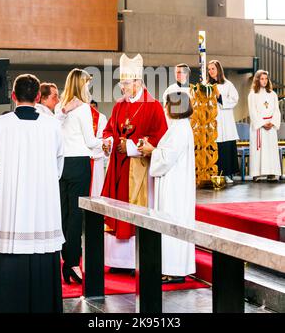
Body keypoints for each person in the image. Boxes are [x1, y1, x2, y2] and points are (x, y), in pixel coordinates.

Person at [0, 74, 64, 313]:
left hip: (9, 209)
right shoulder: (53, 125)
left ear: (13, 96)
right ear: (38, 97)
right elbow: (58, 165)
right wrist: (43, 185)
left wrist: (6, 189)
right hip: (43, 207)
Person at [101, 53, 167, 272]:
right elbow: (110, 129)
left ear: (138, 82)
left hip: (139, 169)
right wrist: (109, 141)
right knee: (116, 209)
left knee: (134, 211)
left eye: (126, 83)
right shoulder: (119, 106)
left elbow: (160, 138)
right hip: (118, 168)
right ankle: (116, 261)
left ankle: (133, 261)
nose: (122, 88)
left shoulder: (154, 106)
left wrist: (129, 146)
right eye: (121, 83)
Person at [138, 90, 196, 283]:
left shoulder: (179, 129)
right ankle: (170, 268)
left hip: (175, 188)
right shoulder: (178, 126)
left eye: (167, 104)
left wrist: (151, 150)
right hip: (173, 182)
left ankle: (175, 270)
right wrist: (153, 150)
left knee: (173, 222)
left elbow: (166, 157)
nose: (164, 108)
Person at [55, 68, 102, 284]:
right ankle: (73, 263)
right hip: (79, 164)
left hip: (61, 164)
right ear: (81, 84)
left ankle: (65, 259)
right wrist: (107, 142)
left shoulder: (59, 107)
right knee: (76, 215)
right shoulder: (83, 109)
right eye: (88, 84)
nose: (89, 88)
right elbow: (91, 142)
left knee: (64, 214)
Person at [207, 60, 239, 184]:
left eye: (213, 69)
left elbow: (235, 99)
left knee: (225, 147)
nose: (210, 71)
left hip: (225, 119)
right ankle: (213, 174)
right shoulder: (206, 85)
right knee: (214, 147)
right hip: (211, 120)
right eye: (209, 69)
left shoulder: (228, 84)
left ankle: (226, 174)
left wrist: (220, 97)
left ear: (218, 70)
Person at [248, 70, 281, 182]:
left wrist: (272, 122)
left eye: (266, 79)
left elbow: (277, 110)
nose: (264, 81)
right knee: (259, 151)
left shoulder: (273, 94)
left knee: (270, 150)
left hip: (270, 126)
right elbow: (252, 111)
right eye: (262, 79)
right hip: (259, 128)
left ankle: (271, 173)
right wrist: (262, 123)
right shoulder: (253, 94)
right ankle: (256, 173)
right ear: (257, 80)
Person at [90, 100, 108, 197]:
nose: (92, 109)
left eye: (94, 107)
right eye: (90, 106)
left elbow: (103, 139)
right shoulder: (82, 116)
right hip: (85, 157)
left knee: (96, 189)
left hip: (96, 159)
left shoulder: (101, 118)